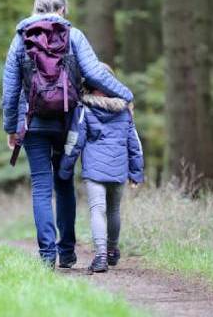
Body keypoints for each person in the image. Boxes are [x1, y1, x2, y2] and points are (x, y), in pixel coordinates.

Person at [2, 0, 133, 268]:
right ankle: (68, 252)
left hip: (33, 122)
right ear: (62, 10)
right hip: (67, 121)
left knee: (40, 186)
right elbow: (96, 73)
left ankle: (47, 256)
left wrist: (11, 127)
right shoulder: (74, 36)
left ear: (35, 9)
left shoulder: (20, 39)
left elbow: (10, 89)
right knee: (64, 183)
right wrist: (126, 95)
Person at [58, 64, 144, 272]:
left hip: (95, 170)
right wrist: (136, 172)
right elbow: (135, 144)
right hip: (118, 168)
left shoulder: (84, 109)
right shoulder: (125, 111)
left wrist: (65, 169)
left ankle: (101, 255)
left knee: (98, 210)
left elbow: (74, 140)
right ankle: (112, 250)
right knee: (114, 211)